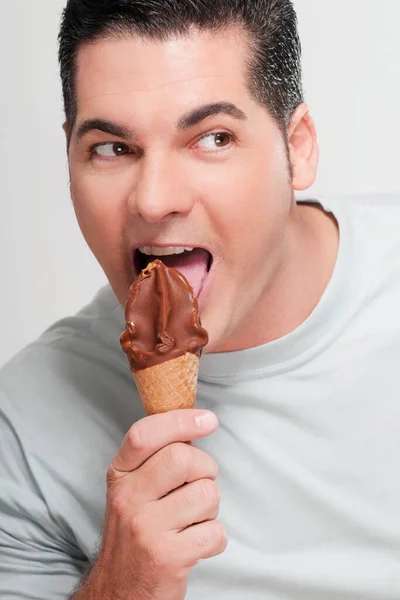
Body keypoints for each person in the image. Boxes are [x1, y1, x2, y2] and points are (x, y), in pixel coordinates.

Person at [1, 0, 400, 598]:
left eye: (213, 138)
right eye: (112, 148)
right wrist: (121, 586)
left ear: (300, 147)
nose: (154, 199)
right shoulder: (24, 428)